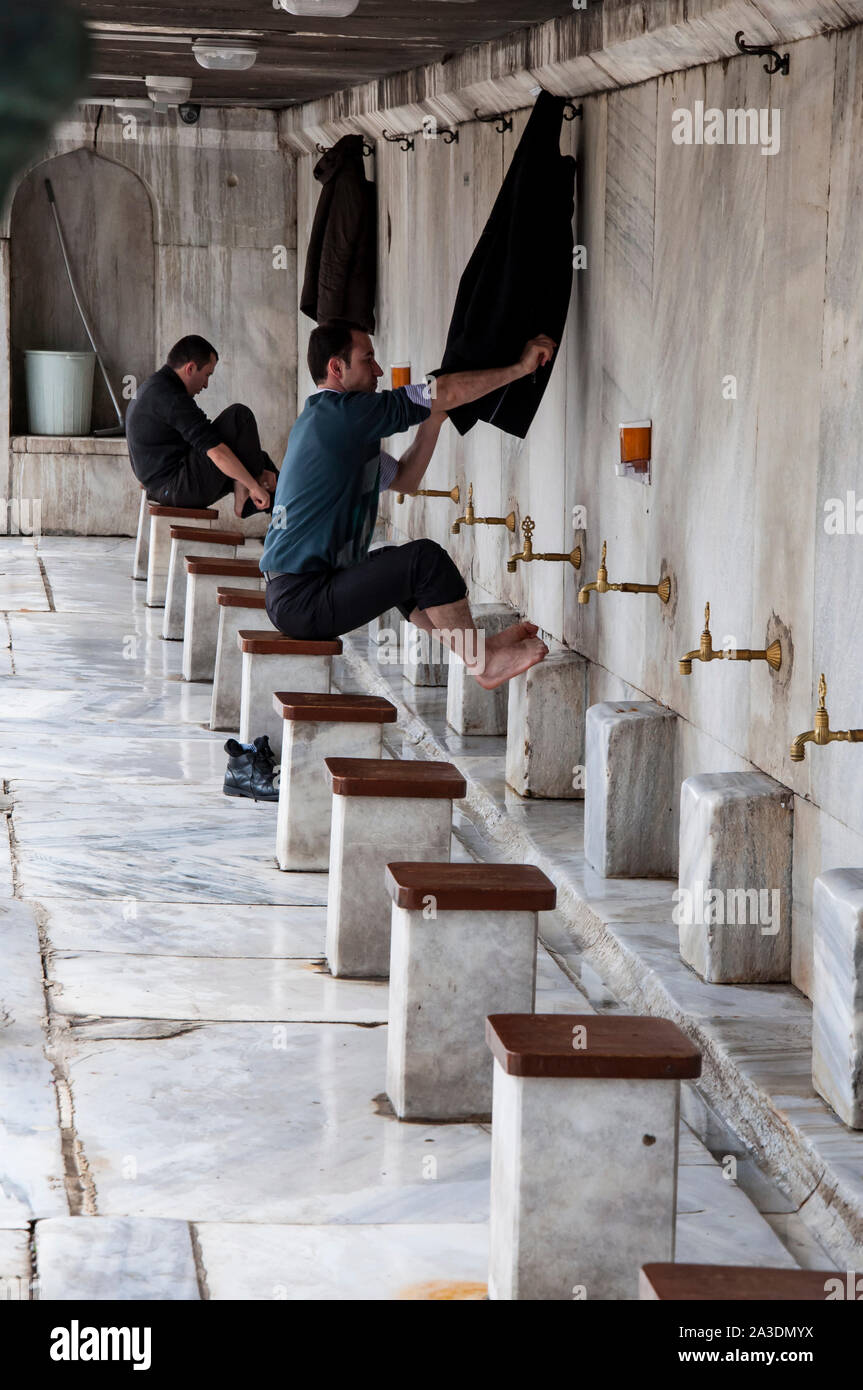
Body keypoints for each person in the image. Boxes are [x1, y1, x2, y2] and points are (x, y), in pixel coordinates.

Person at [259, 320, 553, 690]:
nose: (379, 371)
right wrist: (520, 369)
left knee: (396, 564)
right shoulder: (344, 414)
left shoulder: (333, 426)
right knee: (425, 560)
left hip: (295, 595)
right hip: (303, 598)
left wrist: (432, 423)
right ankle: (485, 662)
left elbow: (405, 480)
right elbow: (438, 391)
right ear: (337, 368)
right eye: (368, 360)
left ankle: (477, 651)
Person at [126, 335, 277, 517]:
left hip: (164, 487)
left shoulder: (154, 387)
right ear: (190, 368)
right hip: (177, 488)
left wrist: (255, 473)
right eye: (207, 375)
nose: (206, 384)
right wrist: (253, 484)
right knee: (239, 416)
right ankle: (251, 499)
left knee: (258, 458)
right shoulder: (170, 397)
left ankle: (283, 519)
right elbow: (217, 452)